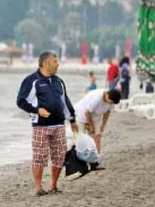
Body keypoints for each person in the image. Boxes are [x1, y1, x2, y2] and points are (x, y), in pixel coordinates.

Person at [16, 51, 78, 197]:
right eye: (55, 61)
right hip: (40, 125)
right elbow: (21, 101)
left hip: (59, 125)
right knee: (39, 156)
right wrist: (37, 110)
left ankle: (54, 185)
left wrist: (72, 119)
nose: (58, 64)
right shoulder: (32, 80)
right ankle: (38, 188)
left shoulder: (59, 81)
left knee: (59, 156)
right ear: (45, 63)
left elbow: (65, 101)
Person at [74, 88, 121, 156]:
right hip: (81, 114)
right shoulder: (97, 98)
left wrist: (103, 125)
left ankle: (95, 159)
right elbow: (87, 113)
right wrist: (91, 126)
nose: (110, 103)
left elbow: (107, 112)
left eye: (112, 102)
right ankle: (80, 159)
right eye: (110, 101)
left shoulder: (112, 100)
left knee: (97, 136)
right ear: (107, 95)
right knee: (81, 138)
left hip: (95, 116)